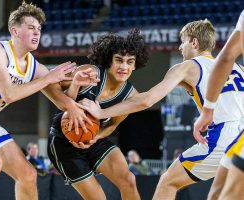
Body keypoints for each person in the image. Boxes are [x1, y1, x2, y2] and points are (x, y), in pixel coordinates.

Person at [78, 19, 244, 200]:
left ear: (194, 43)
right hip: (241, 137)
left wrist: (101, 112)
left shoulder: (187, 67)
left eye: (183, 41)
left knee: (168, 181)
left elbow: (147, 100)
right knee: (222, 193)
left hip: (224, 134)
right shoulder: (238, 68)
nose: (180, 47)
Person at [0, 2, 92, 199]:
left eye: (39, 29)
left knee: (27, 175)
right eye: (31, 27)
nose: (36, 33)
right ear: (14, 30)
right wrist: (48, 77)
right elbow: (9, 94)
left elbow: (60, 96)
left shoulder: (34, 67)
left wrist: (77, 85)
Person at [47, 29, 149, 200]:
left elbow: (112, 125)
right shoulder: (91, 73)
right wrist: (70, 105)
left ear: (135, 65)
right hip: (63, 143)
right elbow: (49, 85)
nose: (124, 66)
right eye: (119, 60)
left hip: (93, 139)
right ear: (109, 60)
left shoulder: (130, 96)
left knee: (129, 180)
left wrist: (96, 137)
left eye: (130, 62)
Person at [193, 11, 244, 200]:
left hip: (228, 129)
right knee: (216, 193)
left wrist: (208, 110)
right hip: (238, 131)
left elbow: (225, 58)